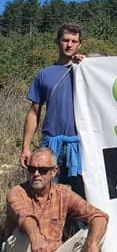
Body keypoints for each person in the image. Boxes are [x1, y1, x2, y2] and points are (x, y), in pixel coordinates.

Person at [2, 148, 109, 252]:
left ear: (54, 171)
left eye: (43, 170)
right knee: (20, 238)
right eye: (32, 169)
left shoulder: (63, 193)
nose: (36, 174)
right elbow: (24, 216)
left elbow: (99, 216)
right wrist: (35, 237)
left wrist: (92, 245)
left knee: (95, 231)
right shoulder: (17, 193)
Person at [20, 24, 86, 198]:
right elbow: (34, 112)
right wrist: (26, 147)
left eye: (74, 41)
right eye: (65, 40)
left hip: (80, 145)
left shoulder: (85, 70)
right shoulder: (44, 75)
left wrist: (88, 63)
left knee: (82, 197)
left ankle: (80, 226)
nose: (69, 45)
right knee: (47, 196)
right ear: (58, 42)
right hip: (51, 145)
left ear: (79, 44)